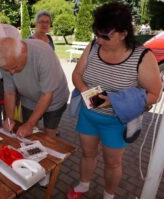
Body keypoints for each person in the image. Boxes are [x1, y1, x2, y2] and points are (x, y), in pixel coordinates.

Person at [68, 2, 162, 199]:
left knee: (113, 163)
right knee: (87, 154)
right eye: (96, 33)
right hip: (89, 115)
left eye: (105, 36)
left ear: (123, 33)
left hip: (116, 122)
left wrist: (114, 101)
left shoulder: (142, 56)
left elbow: (154, 94)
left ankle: (108, 195)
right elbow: (77, 75)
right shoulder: (93, 46)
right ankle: (84, 185)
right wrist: (87, 93)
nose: (99, 40)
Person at [0, 37, 70, 137]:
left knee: (49, 134)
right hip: (29, 99)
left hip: (54, 100)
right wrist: (9, 118)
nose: (11, 72)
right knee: (29, 133)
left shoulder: (43, 54)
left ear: (23, 53)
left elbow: (47, 95)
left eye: (14, 66)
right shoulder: (6, 60)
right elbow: (9, 92)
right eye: (7, 69)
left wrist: (29, 124)